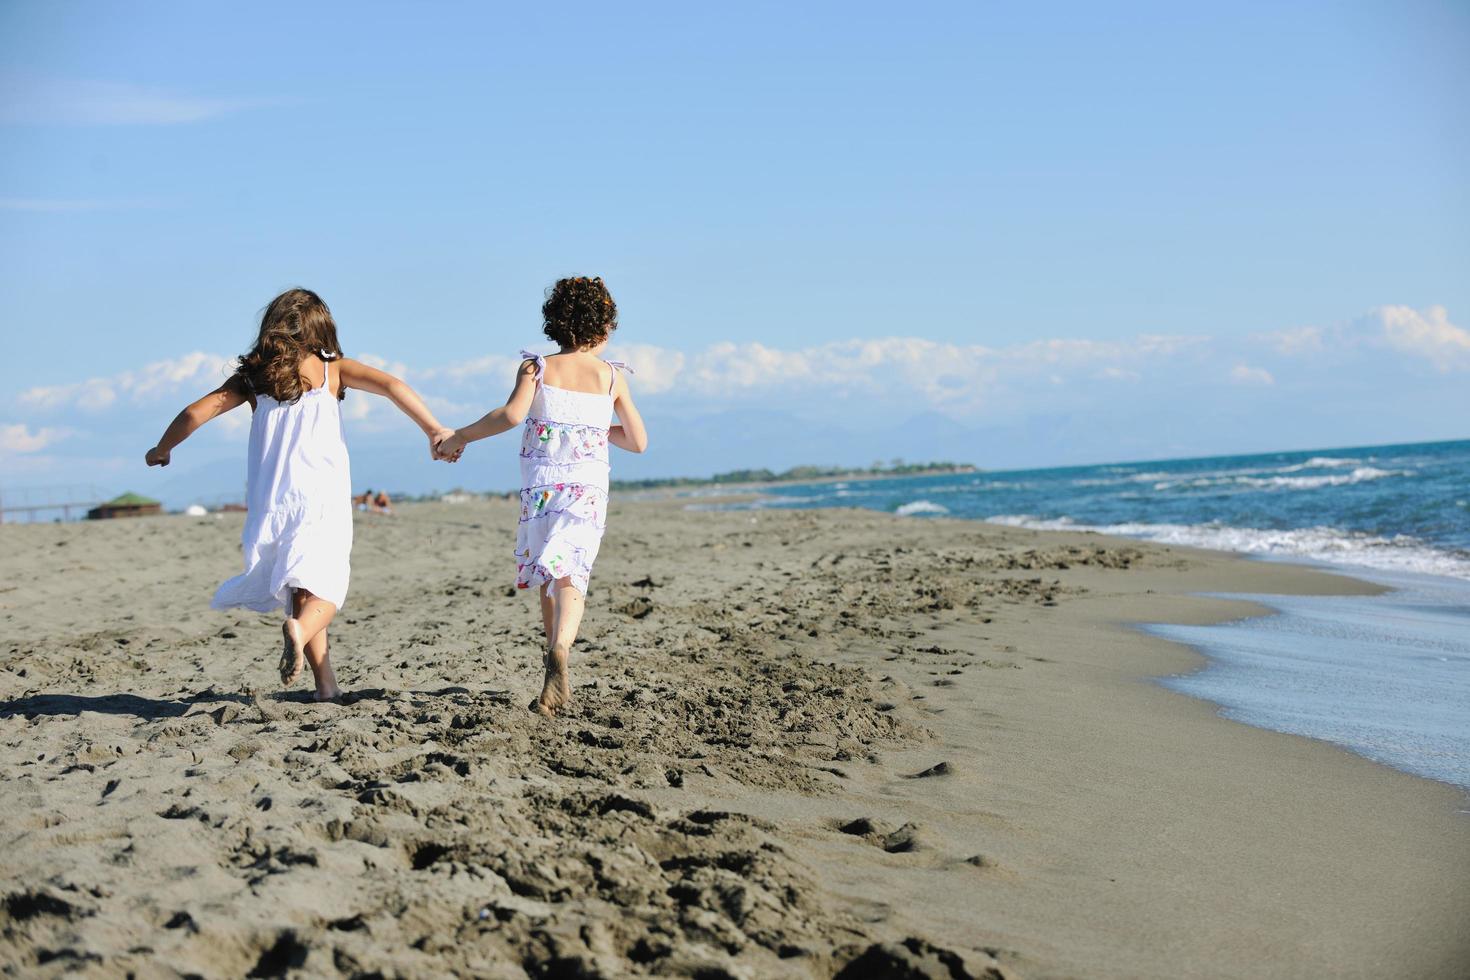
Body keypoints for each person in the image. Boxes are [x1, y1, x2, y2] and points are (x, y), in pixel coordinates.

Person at [145, 288, 455, 700]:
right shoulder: (332, 370)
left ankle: (326, 685)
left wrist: (163, 447)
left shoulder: (253, 379)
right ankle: (300, 629)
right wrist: (434, 429)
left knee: (299, 589)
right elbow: (393, 386)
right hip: (320, 499)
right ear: (321, 328)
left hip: (270, 501)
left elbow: (195, 412)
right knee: (327, 587)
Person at [437, 276, 647, 716]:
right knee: (573, 572)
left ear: (555, 322)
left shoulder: (538, 367)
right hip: (587, 486)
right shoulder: (612, 376)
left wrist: (460, 436)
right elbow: (637, 441)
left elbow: (511, 415)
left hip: (541, 488)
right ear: (604, 327)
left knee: (547, 569)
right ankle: (561, 648)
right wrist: (594, 430)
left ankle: (549, 652)